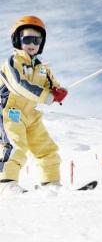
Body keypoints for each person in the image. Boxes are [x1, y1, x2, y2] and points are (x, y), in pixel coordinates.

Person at [0, 16, 68, 195]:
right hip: (11, 112)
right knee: (15, 145)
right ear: (17, 40)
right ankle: (6, 183)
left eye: (36, 40)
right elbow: (17, 84)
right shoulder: (12, 62)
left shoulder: (44, 68)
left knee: (46, 148)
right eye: (27, 39)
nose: (32, 44)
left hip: (32, 115)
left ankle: (51, 183)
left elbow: (53, 86)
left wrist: (58, 92)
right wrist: (46, 95)